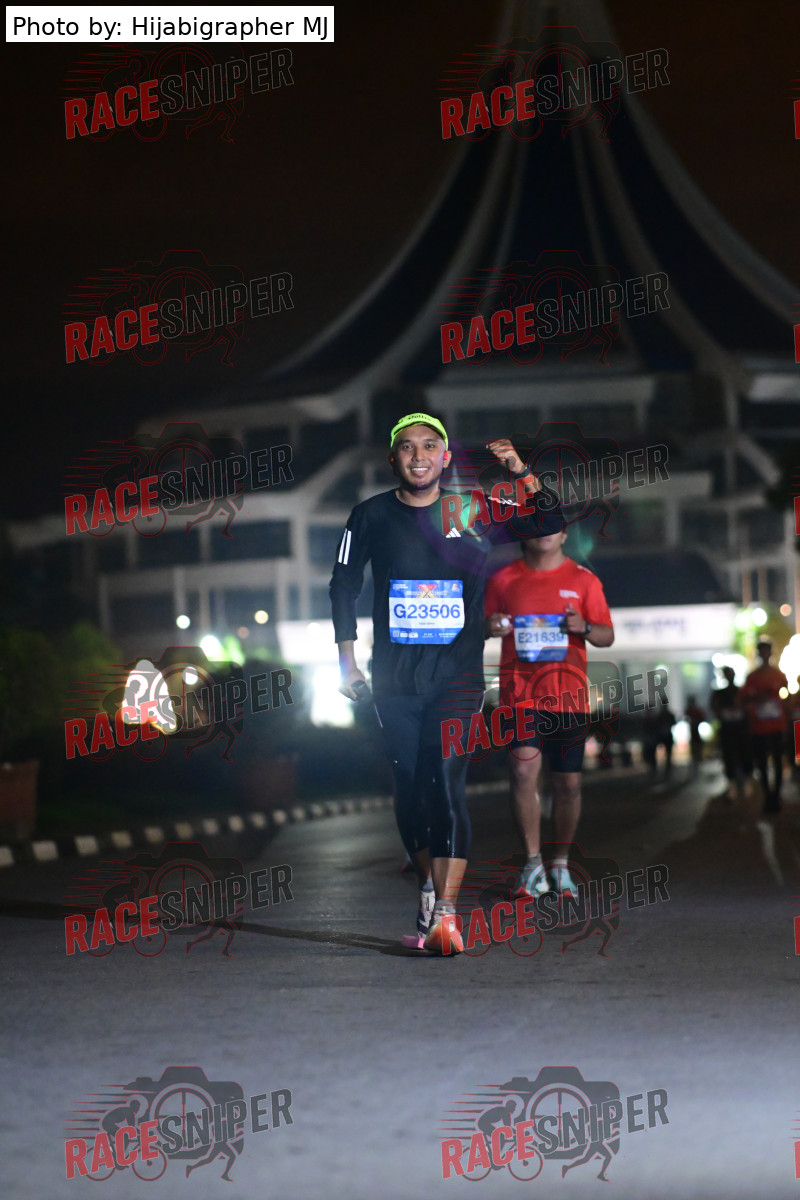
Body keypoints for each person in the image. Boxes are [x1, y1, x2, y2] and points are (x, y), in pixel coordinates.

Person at [330, 413, 561, 954]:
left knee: (446, 782)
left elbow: (547, 521)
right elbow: (342, 585)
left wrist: (521, 472)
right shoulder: (369, 515)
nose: (419, 456)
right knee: (410, 785)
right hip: (394, 678)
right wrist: (347, 664)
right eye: (407, 447)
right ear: (393, 458)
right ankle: (427, 887)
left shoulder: (470, 509)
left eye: (430, 446)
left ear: (446, 458)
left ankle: (448, 915)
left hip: (456, 676)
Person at [484, 528, 614, 899]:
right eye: (536, 527)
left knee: (568, 784)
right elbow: (483, 625)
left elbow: (607, 635)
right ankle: (532, 865)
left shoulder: (583, 580)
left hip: (568, 699)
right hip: (520, 697)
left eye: (552, 527)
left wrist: (584, 627)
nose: (544, 534)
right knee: (523, 773)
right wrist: (490, 626)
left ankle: (560, 864)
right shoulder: (502, 579)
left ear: (565, 535)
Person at [741, 639, 788, 813]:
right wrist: (758, 698)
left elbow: (786, 695)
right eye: (762, 651)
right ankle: (768, 795)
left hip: (776, 725)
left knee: (777, 761)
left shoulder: (779, 675)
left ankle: (776, 795)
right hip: (759, 726)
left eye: (767, 651)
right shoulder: (752, 677)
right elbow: (745, 699)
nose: (765, 655)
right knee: (761, 763)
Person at [709, 666, 750, 800]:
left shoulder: (741, 691)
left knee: (744, 754)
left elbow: (747, 706)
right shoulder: (719, 693)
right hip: (727, 729)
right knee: (729, 756)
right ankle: (732, 784)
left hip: (741, 729)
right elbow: (714, 707)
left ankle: (745, 782)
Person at [684, 695, 707, 773]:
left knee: (697, 745)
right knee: (694, 746)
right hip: (692, 732)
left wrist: (696, 721)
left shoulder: (696, 710)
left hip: (696, 731)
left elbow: (702, 717)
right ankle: (695, 760)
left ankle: (698, 760)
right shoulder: (689, 710)